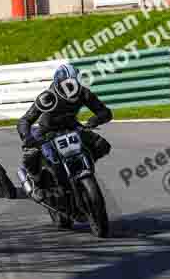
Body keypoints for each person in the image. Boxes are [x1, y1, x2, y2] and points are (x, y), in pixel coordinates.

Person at [17, 63, 113, 199]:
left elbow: (105, 112)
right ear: (58, 83)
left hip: (72, 127)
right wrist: (27, 136)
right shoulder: (47, 97)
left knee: (102, 145)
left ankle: (83, 168)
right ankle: (37, 183)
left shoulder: (83, 93)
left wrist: (94, 121)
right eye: (67, 84)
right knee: (31, 153)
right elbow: (25, 120)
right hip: (47, 131)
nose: (71, 87)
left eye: (74, 83)